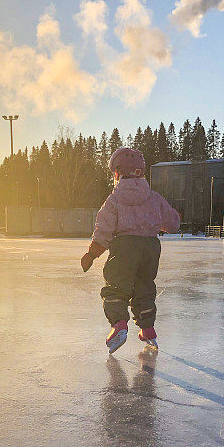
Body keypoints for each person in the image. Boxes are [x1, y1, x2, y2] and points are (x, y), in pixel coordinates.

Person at [80, 147, 180, 353]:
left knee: (116, 287)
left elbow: (104, 229)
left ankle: (119, 324)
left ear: (117, 173)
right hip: (150, 248)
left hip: (124, 247)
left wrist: (92, 253)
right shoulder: (154, 197)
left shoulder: (114, 200)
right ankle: (148, 329)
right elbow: (173, 224)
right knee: (144, 287)